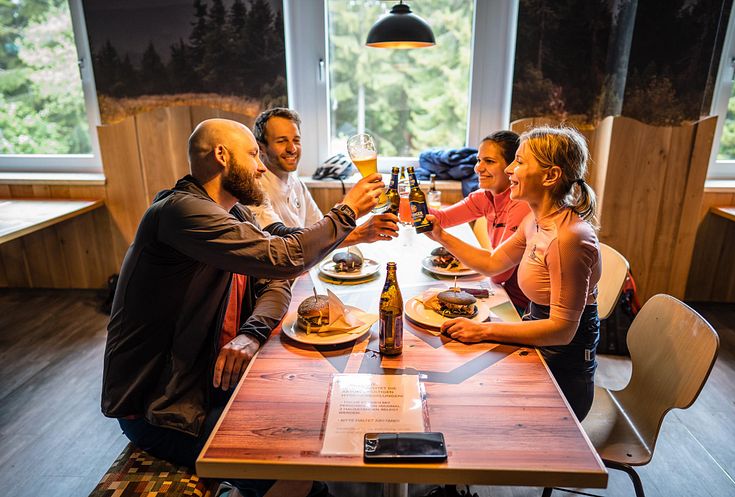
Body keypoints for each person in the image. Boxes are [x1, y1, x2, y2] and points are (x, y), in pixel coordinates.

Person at [101, 118, 384, 497]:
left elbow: (279, 273)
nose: (261, 166)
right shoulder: (179, 212)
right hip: (165, 408)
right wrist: (347, 212)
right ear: (222, 156)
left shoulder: (233, 213)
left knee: (314, 418)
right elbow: (283, 258)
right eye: (253, 153)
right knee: (301, 472)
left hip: (207, 386)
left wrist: (251, 334)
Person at [425, 126, 601, 421]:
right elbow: (494, 264)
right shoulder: (535, 220)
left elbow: (562, 329)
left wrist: (483, 330)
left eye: (519, 162)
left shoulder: (567, 238)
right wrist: (440, 235)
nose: (509, 169)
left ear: (550, 176)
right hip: (536, 332)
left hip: (563, 364)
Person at [250, 107, 399, 244]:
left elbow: (320, 233)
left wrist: (357, 224)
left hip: (304, 269)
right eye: (282, 141)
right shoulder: (253, 189)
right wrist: (355, 224)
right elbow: (282, 242)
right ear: (261, 148)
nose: (292, 148)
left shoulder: (297, 184)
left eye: (296, 140)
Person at [429, 130, 531, 311]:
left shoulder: (522, 204)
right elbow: (442, 218)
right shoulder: (484, 196)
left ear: (512, 167)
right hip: (502, 293)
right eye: (478, 160)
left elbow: (498, 274)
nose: (478, 168)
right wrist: (402, 202)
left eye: (489, 161)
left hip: (522, 307)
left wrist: (440, 236)